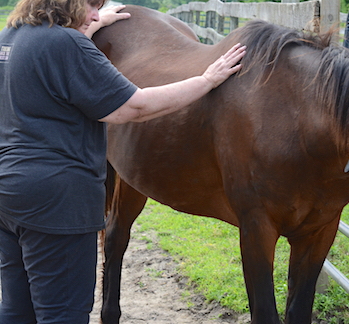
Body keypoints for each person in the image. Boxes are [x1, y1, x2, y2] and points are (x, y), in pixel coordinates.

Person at [0, 0, 246, 322]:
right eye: (90, 5)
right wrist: (206, 80)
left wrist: (95, 24)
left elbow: (56, 61)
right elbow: (135, 107)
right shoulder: (66, 43)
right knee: (62, 313)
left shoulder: (10, 37)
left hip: (10, 197)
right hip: (59, 205)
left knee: (16, 309)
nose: (94, 14)